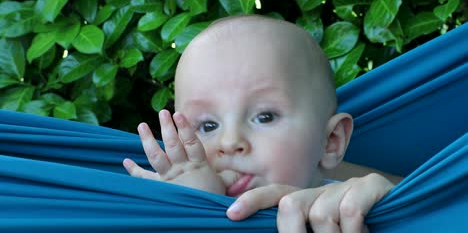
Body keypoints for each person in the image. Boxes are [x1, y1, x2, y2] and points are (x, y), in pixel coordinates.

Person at [123, 15, 395, 232]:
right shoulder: (179, 200)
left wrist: (389, 201)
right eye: (207, 126)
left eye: (264, 117)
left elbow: (433, 205)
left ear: (331, 141)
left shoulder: (356, 203)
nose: (229, 143)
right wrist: (194, 208)